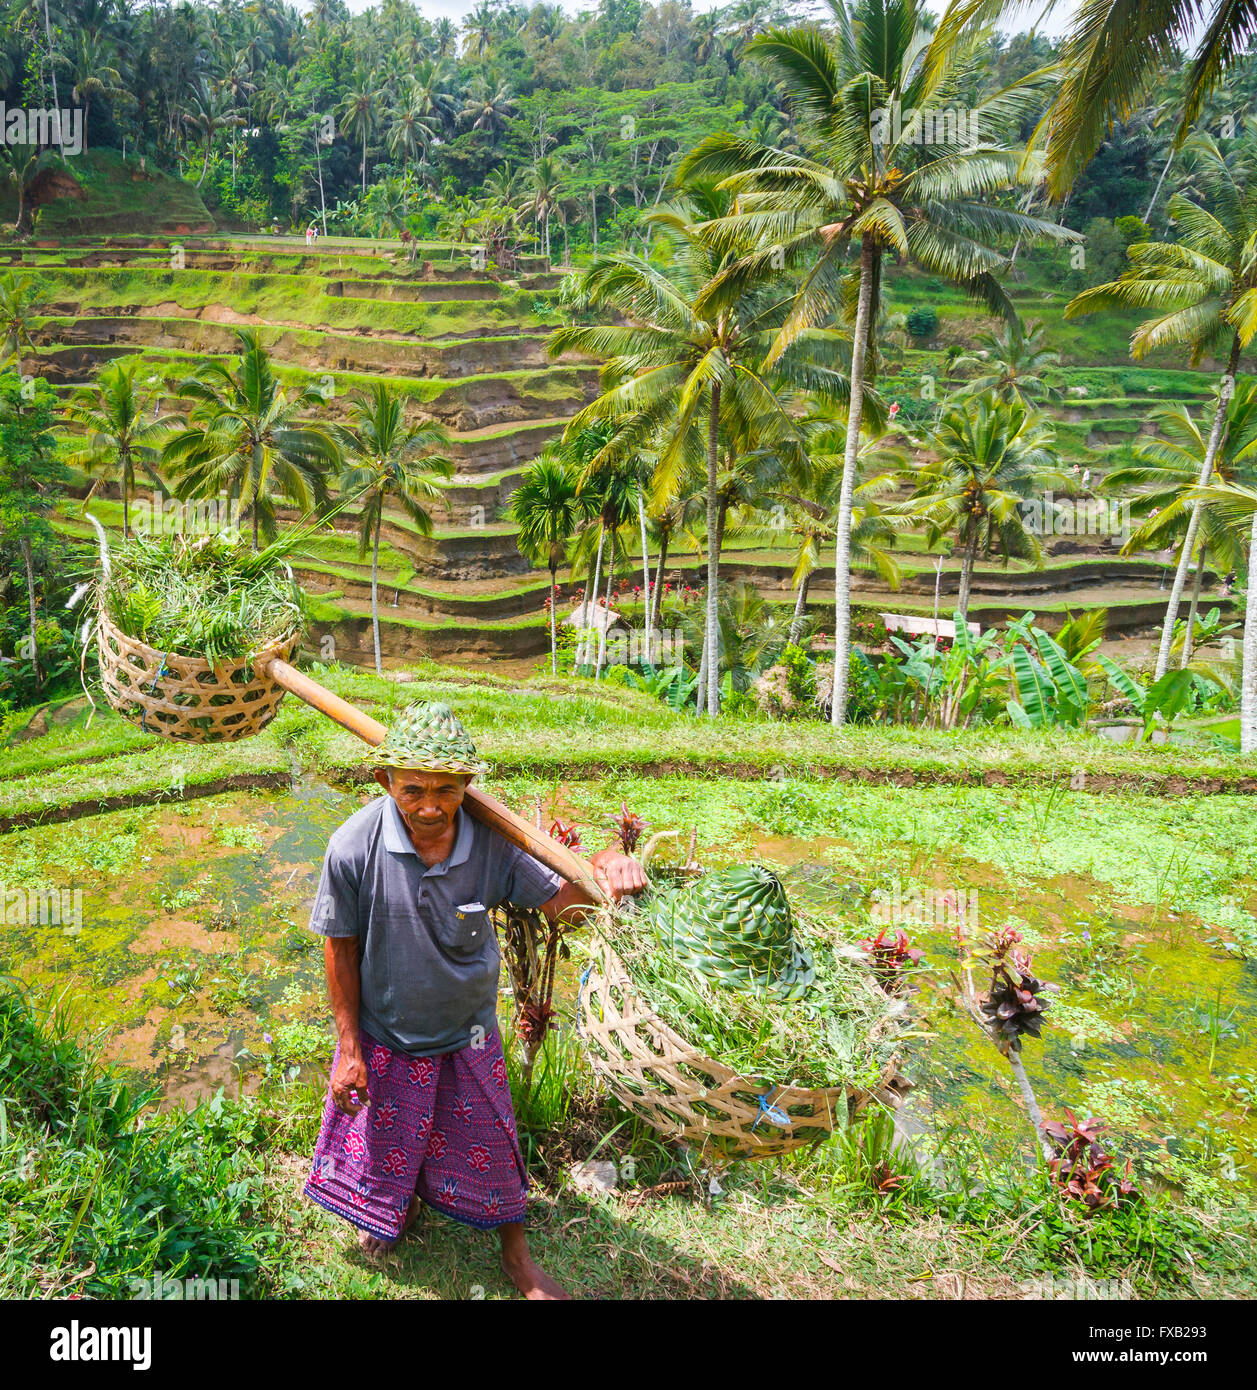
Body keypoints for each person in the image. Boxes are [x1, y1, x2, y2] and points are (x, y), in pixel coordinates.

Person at [302, 701, 645, 1299]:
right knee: (390, 1140)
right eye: (413, 790)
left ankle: (518, 1261)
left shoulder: (494, 844)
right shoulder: (351, 847)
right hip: (389, 1032)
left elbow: (568, 906)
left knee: (495, 1143)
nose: (430, 806)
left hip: (469, 1033)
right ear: (385, 781)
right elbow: (341, 951)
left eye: (447, 790)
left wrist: (606, 870)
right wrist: (349, 1047)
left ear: (468, 785)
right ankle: (397, 1213)